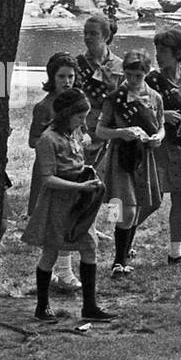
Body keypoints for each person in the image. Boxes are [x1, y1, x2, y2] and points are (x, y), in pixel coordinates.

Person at [23, 89, 114, 322]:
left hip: (80, 203)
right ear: (65, 114)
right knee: (51, 251)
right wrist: (78, 188)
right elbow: (47, 179)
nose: (83, 123)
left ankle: (89, 306)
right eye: (79, 117)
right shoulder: (48, 139)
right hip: (59, 202)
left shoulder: (73, 133)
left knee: (89, 247)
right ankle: (42, 307)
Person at [95, 49, 165, 278]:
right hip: (121, 156)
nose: (133, 80)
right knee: (126, 206)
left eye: (138, 76)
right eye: (129, 75)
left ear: (146, 73)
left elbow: (161, 125)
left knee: (145, 203)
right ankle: (118, 261)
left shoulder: (155, 98)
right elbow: (100, 130)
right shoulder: (115, 99)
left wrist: (158, 138)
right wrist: (121, 132)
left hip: (145, 157)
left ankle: (124, 253)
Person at [28, 52, 84, 294]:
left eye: (71, 76)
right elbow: (32, 140)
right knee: (53, 220)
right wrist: (53, 138)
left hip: (73, 167)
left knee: (69, 218)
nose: (67, 81)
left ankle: (64, 270)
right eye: (61, 76)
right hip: (50, 168)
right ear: (52, 77)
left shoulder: (78, 101)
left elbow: (83, 131)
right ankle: (56, 271)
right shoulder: (44, 106)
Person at [148, 27, 181, 266]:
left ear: (178, 53)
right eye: (157, 49)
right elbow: (141, 114)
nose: (158, 55)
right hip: (158, 144)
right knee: (150, 199)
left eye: (164, 50)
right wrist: (164, 115)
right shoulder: (151, 79)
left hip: (180, 144)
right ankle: (123, 238)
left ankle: (175, 252)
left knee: (180, 198)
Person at [75, 13, 123, 161]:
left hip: (111, 129)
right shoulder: (76, 65)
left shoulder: (120, 65)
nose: (88, 37)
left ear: (106, 37)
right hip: (85, 130)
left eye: (94, 33)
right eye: (85, 33)